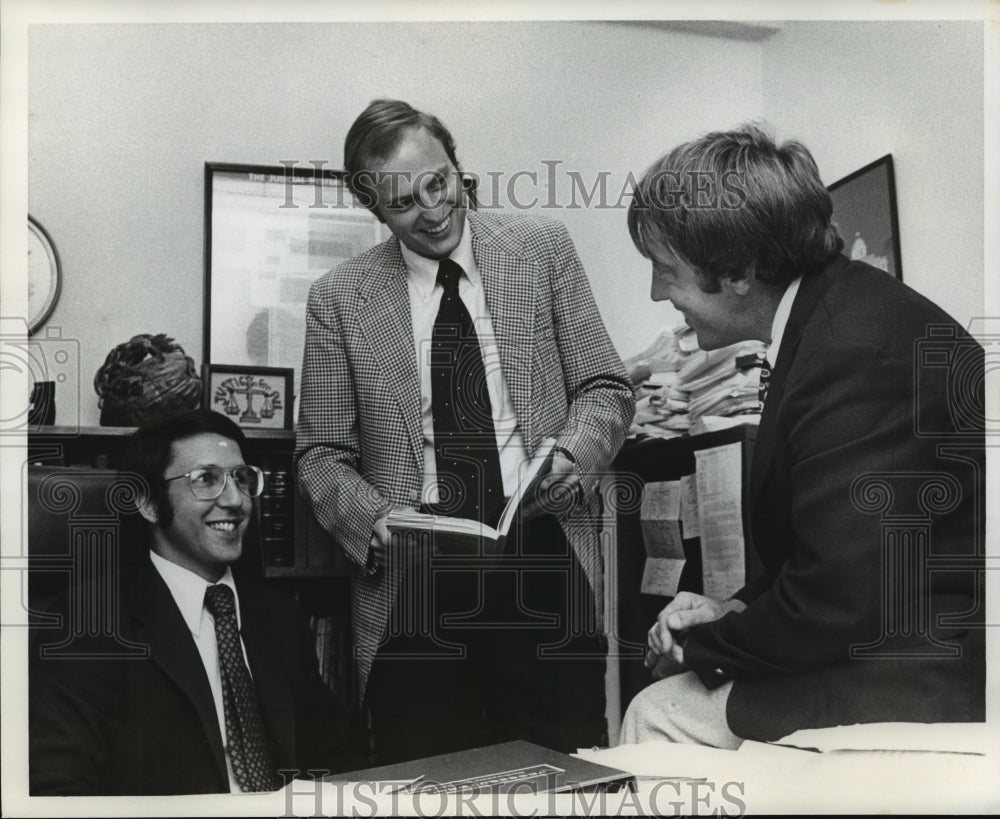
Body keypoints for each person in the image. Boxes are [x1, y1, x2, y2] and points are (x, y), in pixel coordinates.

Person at [619, 124, 985, 748]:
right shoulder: (839, 317)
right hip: (893, 641)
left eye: (665, 270)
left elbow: (839, 600)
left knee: (656, 712)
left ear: (736, 271)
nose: (658, 292)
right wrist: (731, 612)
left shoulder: (854, 350)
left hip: (921, 675)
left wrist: (701, 644)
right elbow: (842, 557)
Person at [295, 99, 635, 763]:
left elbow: (605, 386)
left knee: (562, 774)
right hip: (416, 576)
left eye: (439, 182)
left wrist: (571, 453)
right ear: (374, 211)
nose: (431, 209)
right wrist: (373, 519)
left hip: (542, 555)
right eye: (402, 202)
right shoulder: (339, 298)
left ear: (456, 166)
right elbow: (321, 456)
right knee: (426, 778)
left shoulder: (541, 247)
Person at [29, 410, 358, 795]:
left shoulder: (281, 616)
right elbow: (59, 788)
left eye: (241, 478)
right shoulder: (91, 622)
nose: (236, 500)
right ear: (148, 502)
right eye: (207, 479)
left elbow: (341, 755)